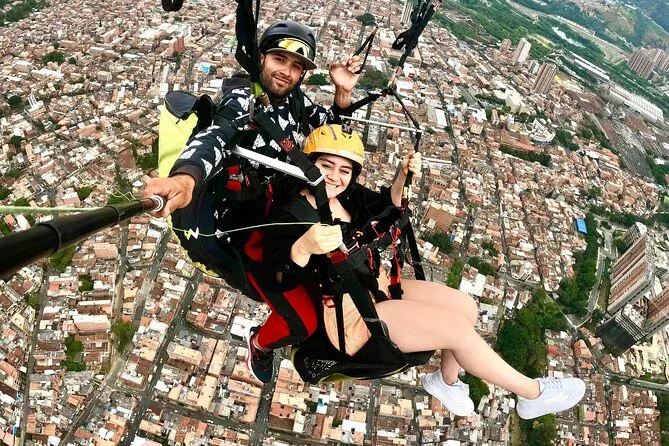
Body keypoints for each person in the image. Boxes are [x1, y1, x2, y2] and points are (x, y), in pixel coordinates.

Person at [249, 124, 586, 420]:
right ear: (309, 164)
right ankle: (532, 395)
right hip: (348, 316)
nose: (335, 176)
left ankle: (446, 383)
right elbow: (278, 278)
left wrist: (402, 176)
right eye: (326, 166)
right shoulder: (292, 213)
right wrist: (303, 247)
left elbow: (388, 207)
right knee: (455, 329)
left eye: (345, 170)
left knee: (466, 307)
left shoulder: (348, 197)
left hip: (376, 286)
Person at [143, 20, 361, 285]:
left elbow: (331, 132)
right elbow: (217, 135)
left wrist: (343, 93)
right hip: (238, 216)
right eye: (279, 59)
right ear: (261, 58)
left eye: (296, 66)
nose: (286, 72)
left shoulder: (293, 99)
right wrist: (185, 179)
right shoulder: (243, 99)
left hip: (272, 197)